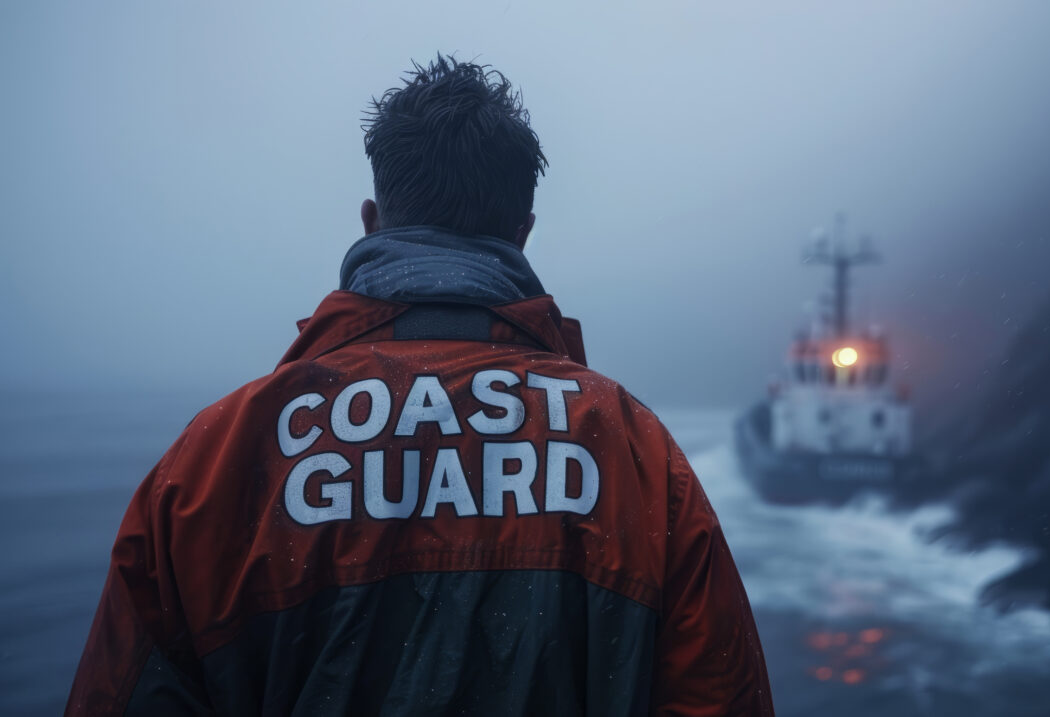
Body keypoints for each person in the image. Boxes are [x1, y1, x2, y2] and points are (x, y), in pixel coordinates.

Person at [65, 55, 773, 716]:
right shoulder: (633, 449)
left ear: (371, 221)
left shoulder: (217, 456)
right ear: (521, 233)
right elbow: (720, 695)